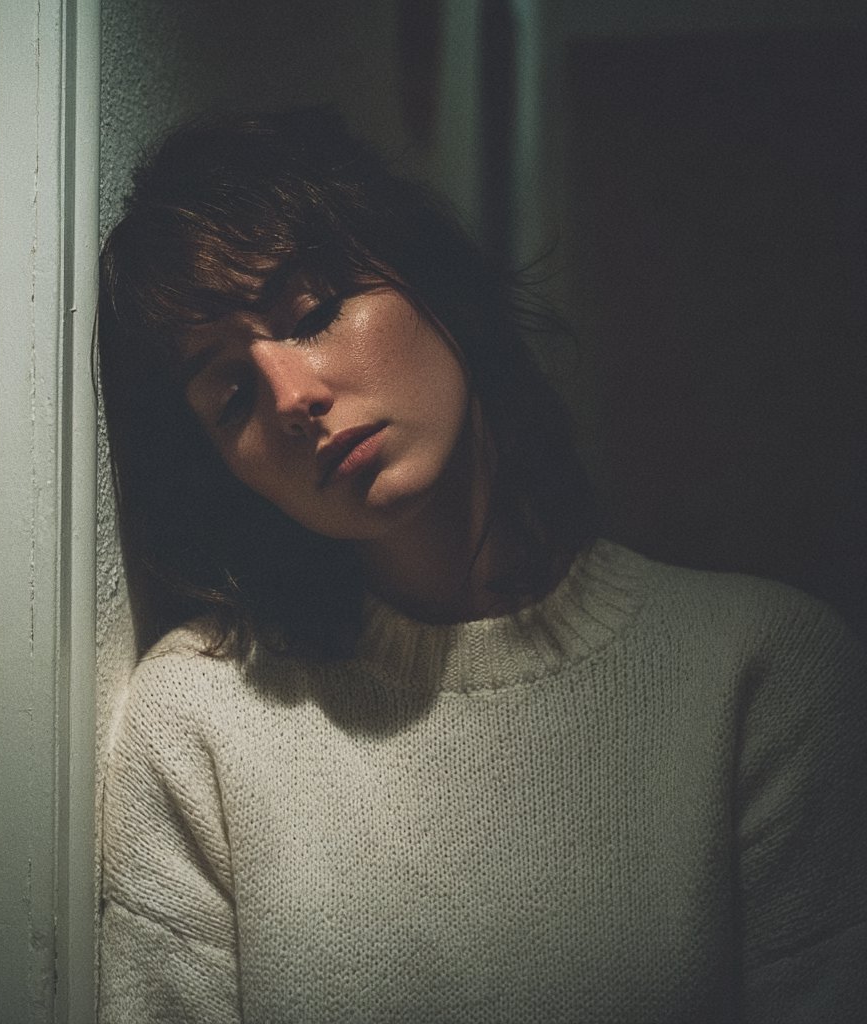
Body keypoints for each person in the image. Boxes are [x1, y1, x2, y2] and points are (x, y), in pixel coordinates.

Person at [96, 108, 866, 1023]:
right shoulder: (201, 718)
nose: (293, 395)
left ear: (431, 279)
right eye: (228, 393)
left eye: (312, 313)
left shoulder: (761, 670)